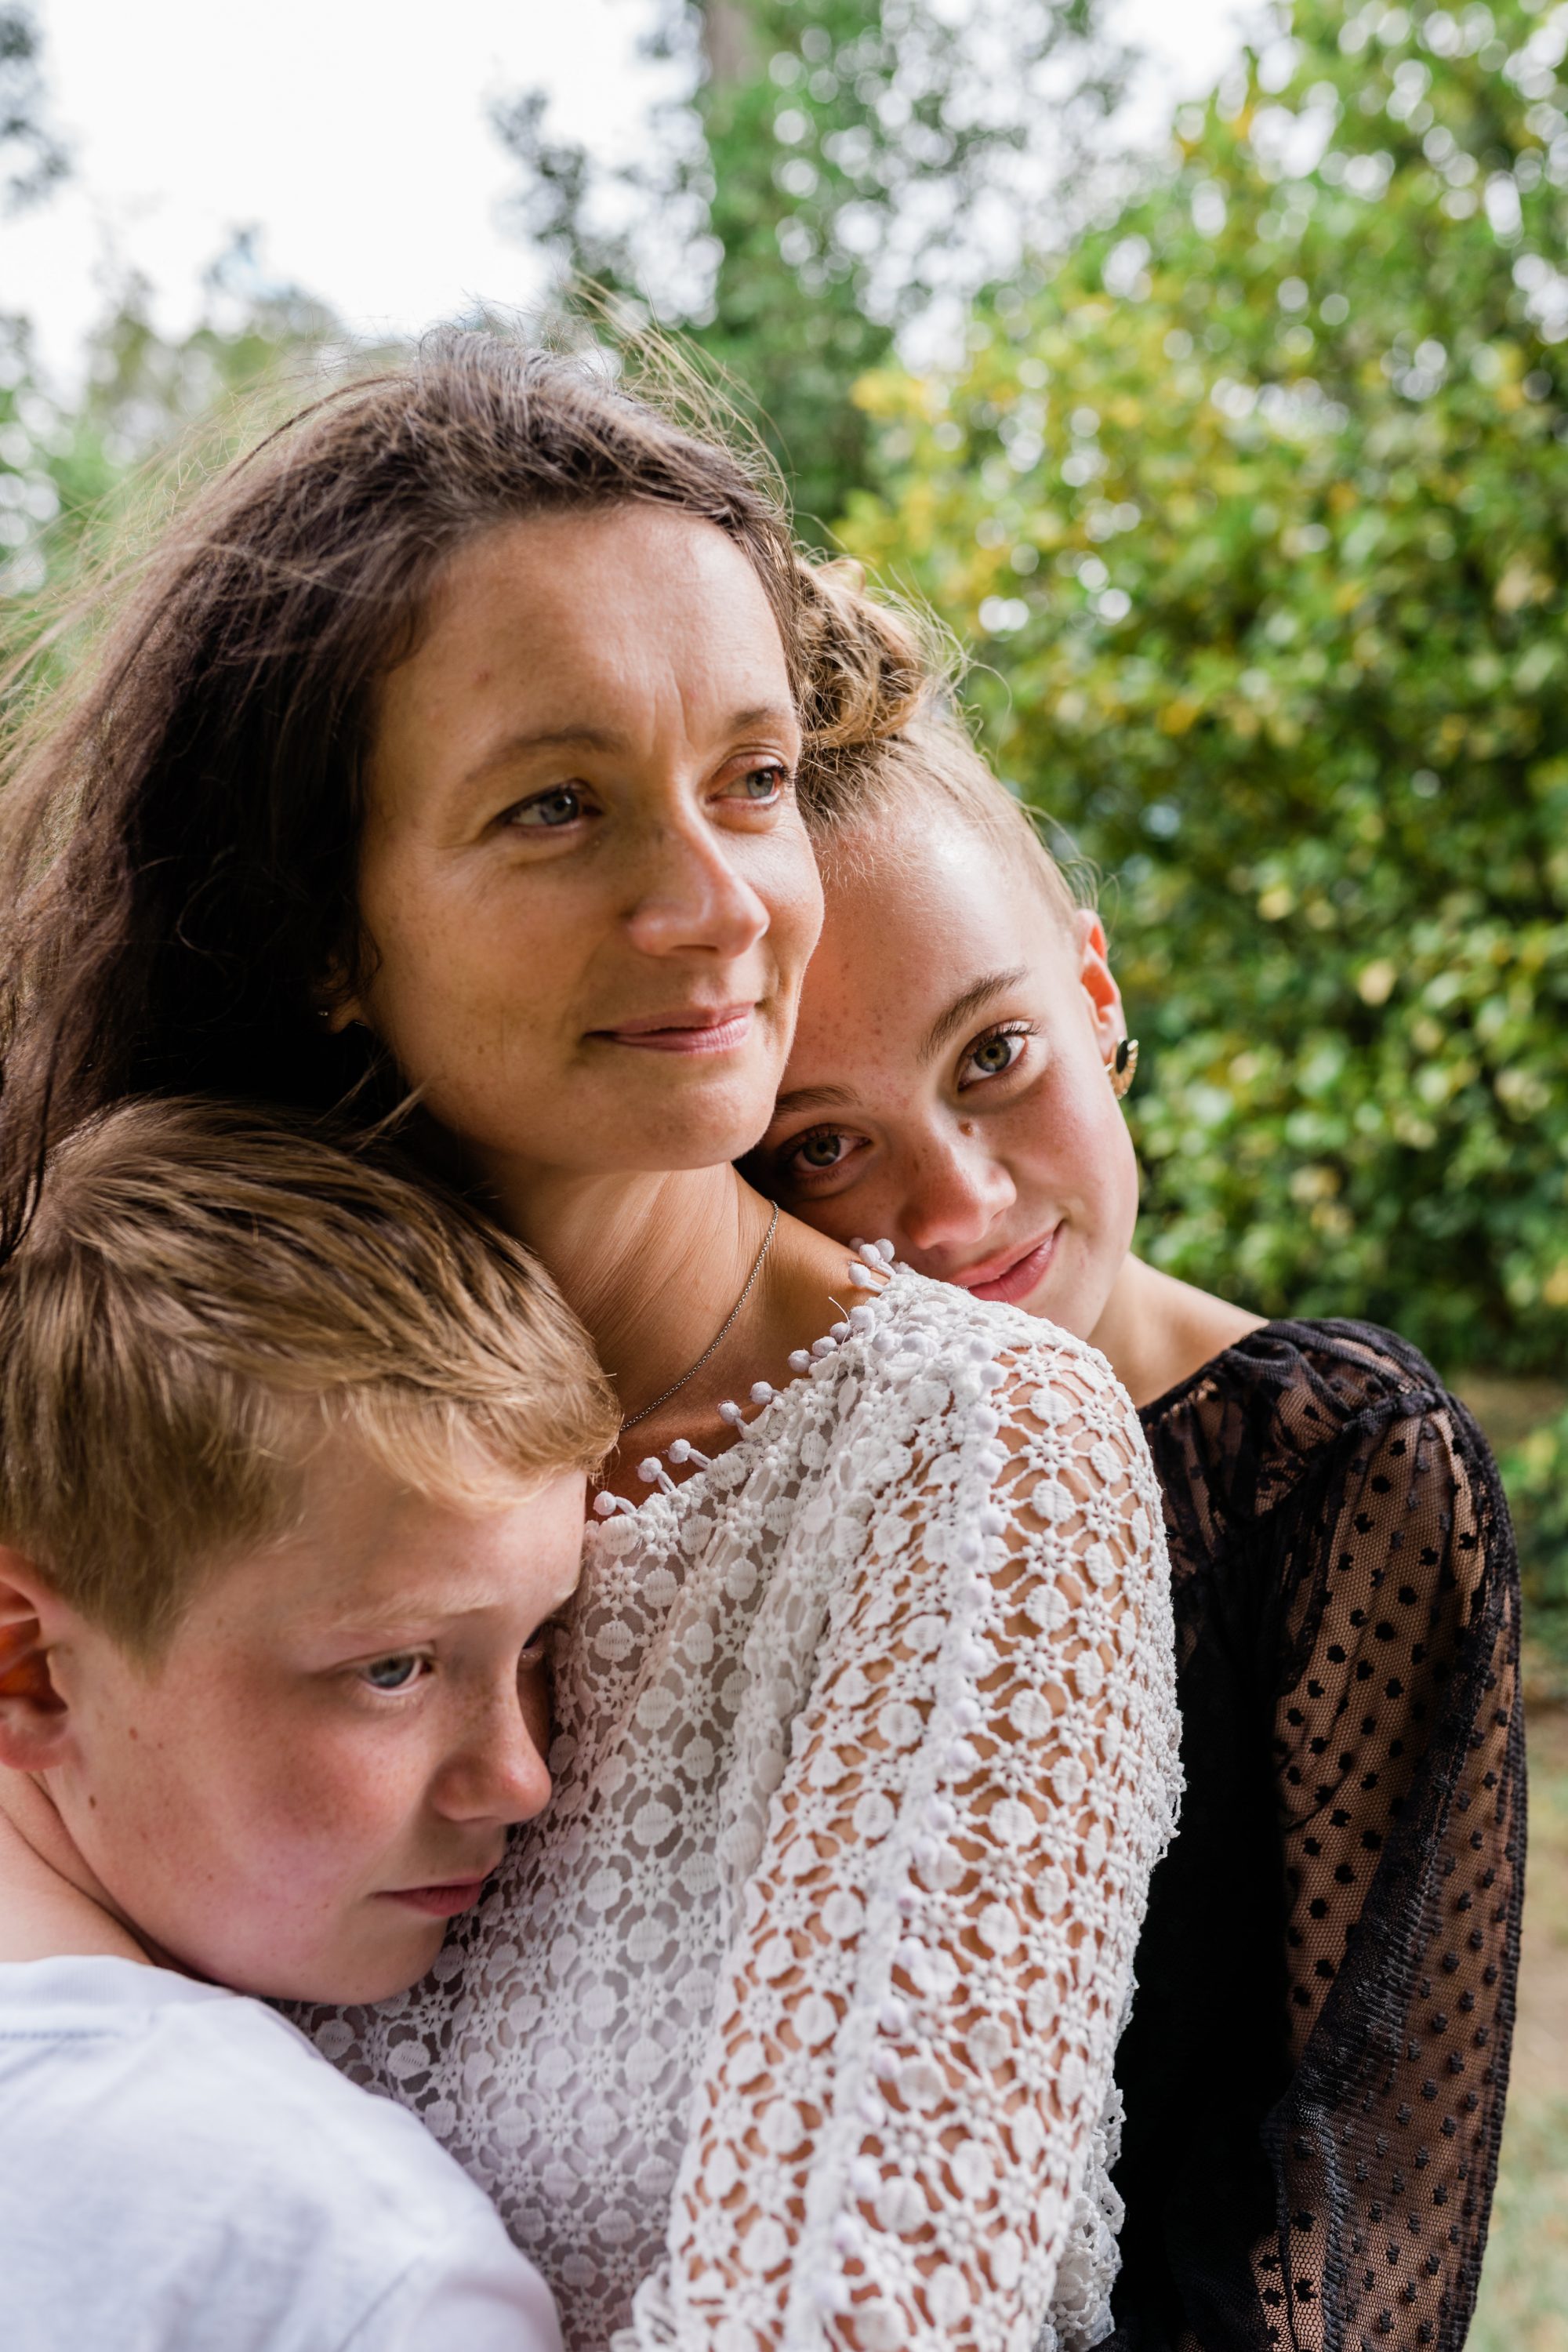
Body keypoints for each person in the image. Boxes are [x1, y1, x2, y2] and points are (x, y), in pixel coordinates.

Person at [0, 337, 1181, 2352]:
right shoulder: (124, 1372)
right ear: (319, 929)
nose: (716, 902)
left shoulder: (968, 1451)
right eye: (560, 806)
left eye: (754, 780)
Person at [746, 584, 1525, 2352]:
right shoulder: (736, 1474)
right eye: (817, 1146)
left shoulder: (1338, 1471)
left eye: (994, 1055)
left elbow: (1364, 2203)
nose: (952, 1206)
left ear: (1094, 992)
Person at [0, 1094, 621, 2352]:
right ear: (35, 1673)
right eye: (392, 1669)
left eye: (541, 1641)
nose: (519, 1777)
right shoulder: (347, 2269)